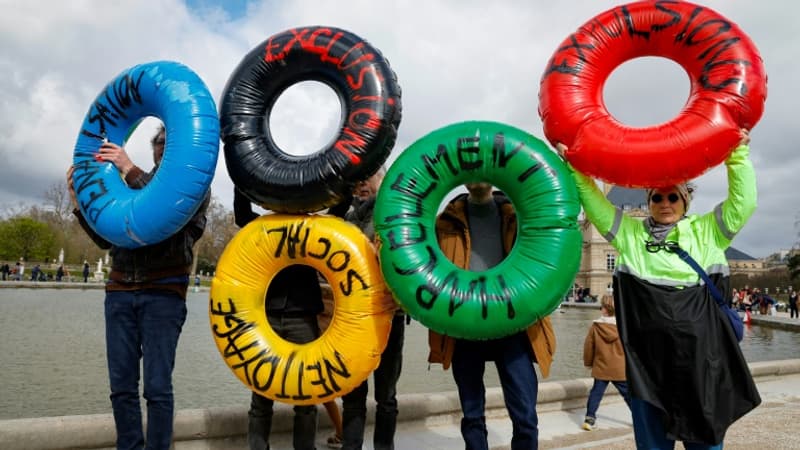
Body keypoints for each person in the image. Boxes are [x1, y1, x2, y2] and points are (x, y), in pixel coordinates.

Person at [557, 129, 761, 448]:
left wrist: (738, 156)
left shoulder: (709, 231)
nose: (665, 203)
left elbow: (744, 202)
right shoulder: (628, 234)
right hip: (648, 365)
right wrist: (573, 164)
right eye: (657, 197)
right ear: (648, 201)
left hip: (700, 361)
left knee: (705, 441)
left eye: (672, 196)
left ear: (685, 201)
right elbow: (593, 201)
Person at [67, 125, 209, 450]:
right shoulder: (126, 185)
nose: (163, 146)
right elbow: (106, 238)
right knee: (121, 387)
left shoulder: (195, 182)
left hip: (163, 293)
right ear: (154, 147)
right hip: (119, 292)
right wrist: (78, 203)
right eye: (159, 141)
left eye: (170, 142)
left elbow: (167, 211)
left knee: (157, 387)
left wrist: (128, 168)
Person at [428, 182, 556, 450]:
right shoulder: (443, 222)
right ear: (462, 176)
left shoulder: (519, 216)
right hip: (465, 325)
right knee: (472, 416)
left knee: (525, 416)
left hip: (514, 325)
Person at [235, 186, 352, 450]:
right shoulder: (263, 227)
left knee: (306, 397)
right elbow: (241, 213)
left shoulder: (312, 228)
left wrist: (348, 184)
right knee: (261, 395)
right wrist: (242, 181)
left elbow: (339, 212)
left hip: (303, 315)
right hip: (268, 317)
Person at [339, 169, 405, 450]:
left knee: (386, 394)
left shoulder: (394, 215)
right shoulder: (342, 218)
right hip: (353, 318)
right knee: (353, 392)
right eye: (358, 179)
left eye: (369, 177)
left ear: (383, 178)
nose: (362, 184)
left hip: (390, 316)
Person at [581, 294, 631, 431]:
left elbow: (588, 346)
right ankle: (640, 420)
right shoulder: (624, 326)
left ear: (605, 309)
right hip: (620, 367)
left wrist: (588, 363)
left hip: (601, 366)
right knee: (628, 395)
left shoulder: (596, 326)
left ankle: (589, 419)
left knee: (596, 393)